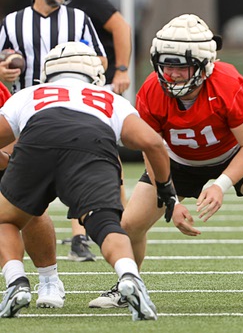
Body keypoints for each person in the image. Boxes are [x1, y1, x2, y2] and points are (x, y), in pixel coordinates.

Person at [88, 13, 243, 310]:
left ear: (203, 65)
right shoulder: (151, 90)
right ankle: (127, 284)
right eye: (166, 65)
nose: (171, 74)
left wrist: (221, 185)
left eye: (181, 66)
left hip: (232, 154)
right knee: (130, 223)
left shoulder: (228, 82)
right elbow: (150, 146)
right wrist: (169, 198)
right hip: (176, 160)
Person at [0, 42, 179, 320]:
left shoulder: (30, 93)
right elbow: (153, 144)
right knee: (105, 223)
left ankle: (15, 281)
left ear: (48, 72)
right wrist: (166, 190)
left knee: (6, 219)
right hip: (92, 143)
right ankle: (130, 277)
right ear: (95, 74)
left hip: (38, 140)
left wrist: (11, 163)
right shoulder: (110, 99)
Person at [0, 0, 107, 304]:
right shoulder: (13, 22)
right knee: (17, 201)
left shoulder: (78, 18)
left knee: (25, 202)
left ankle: (51, 274)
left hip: (59, 113)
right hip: (20, 110)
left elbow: (100, 59)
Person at [31, 0, 133, 261]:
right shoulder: (32, 4)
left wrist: (120, 69)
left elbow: (120, 26)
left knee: (99, 152)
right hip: (42, 92)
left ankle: (117, 220)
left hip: (88, 84)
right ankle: (73, 230)